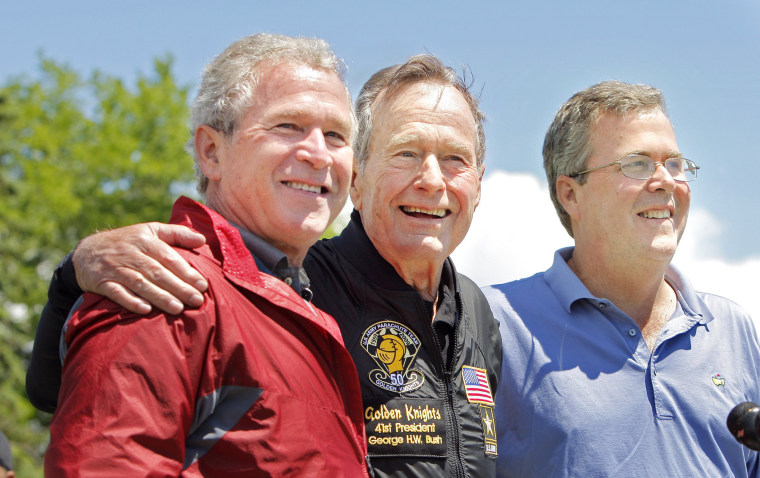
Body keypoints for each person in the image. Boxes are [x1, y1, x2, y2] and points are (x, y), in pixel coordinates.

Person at [29, 54, 502, 477]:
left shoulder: (478, 314)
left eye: (334, 135)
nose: (432, 180)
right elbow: (88, 423)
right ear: (359, 179)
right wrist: (74, 274)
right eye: (406, 153)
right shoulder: (179, 282)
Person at [43, 33, 370, 476]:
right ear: (211, 151)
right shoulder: (162, 286)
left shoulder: (304, 304)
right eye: (287, 126)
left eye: (336, 135)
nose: (318, 154)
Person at [482, 80, 760, 477]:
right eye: (638, 164)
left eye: (675, 163)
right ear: (570, 195)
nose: (665, 180)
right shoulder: (494, 320)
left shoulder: (732, 329)